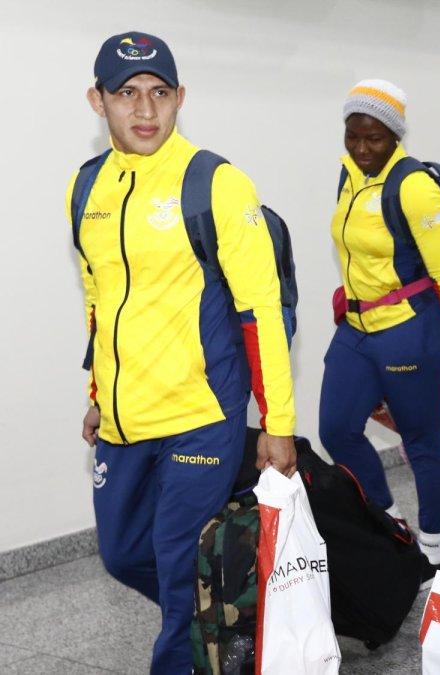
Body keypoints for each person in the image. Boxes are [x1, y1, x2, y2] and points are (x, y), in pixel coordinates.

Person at [70, 32, 297, 672]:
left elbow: (260, 312)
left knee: (177, 564)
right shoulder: (85, 188)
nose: (145, 110)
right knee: (122, 555)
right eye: (127, 93)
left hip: (202, 412)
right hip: (125, 417)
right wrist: (97, 394)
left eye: (160, 93)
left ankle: (190, 639)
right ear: (98, 101)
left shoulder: (215, 183)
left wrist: (278, 422)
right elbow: (100, 301)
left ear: (180, 98)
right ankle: (223, 617)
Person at [318, 79, 440, 579]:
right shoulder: (350, 174)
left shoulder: (413, 186)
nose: (362, 148)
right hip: (356, 326)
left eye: (374, 138)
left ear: (395, 135)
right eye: (353, 136)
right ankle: (392, 524)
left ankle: (433, 553)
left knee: (421, 443)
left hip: (408, 330)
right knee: (336, 429)